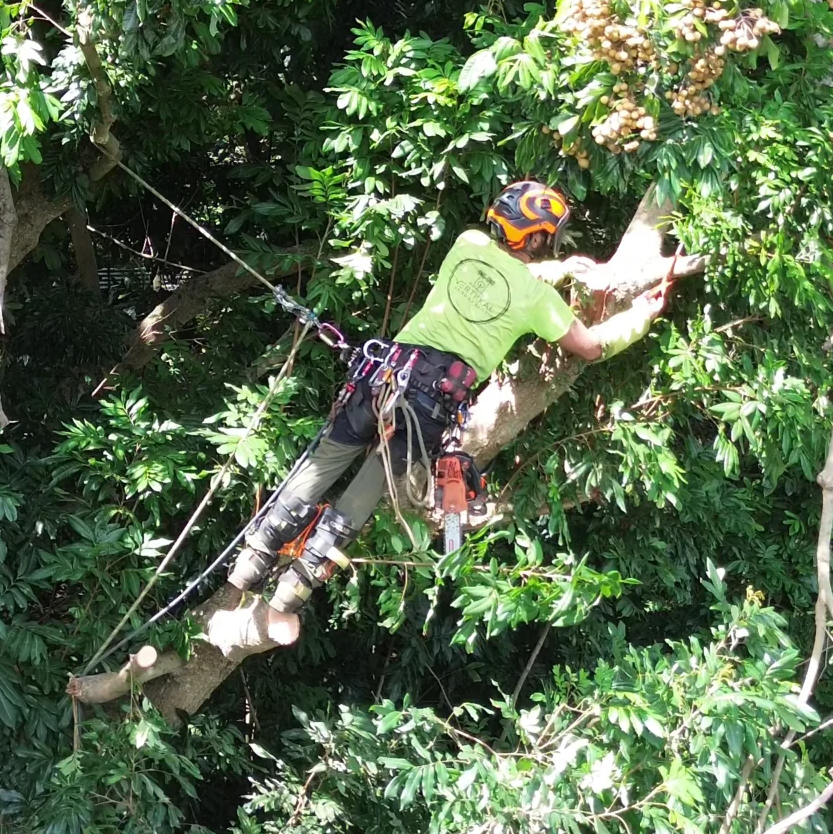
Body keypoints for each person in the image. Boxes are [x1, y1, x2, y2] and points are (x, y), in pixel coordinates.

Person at [202, 180, 665, 656]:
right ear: (539, 237)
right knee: (363, 494)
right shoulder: (536, 299)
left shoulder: (468, 244)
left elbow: (499, 274)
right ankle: (288, 596)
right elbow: (587, 346)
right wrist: (640, 318)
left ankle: (251, 561)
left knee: (321, 464)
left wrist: (562, 269)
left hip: (381, 376)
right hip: (425, 406)